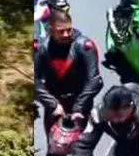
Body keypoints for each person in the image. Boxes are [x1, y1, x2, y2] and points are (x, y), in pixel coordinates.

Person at [34, 9, 104, 137]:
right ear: (50, 30)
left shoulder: (84, 46)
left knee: (81, 143)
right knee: (56, 143)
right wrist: (53, 104)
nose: (66, 34)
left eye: (69, 30)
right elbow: (36, 80)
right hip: (54, 103)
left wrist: (79, 107)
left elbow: (95, 80)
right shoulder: (42, 48)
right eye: (61, 31)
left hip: (80, 102)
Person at [71, 83, 139, 155]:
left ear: (130, 107)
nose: (115, 120)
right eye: (110, 117)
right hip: (123, 146)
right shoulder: (99, 114)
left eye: (118, 115)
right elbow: (84, 145)